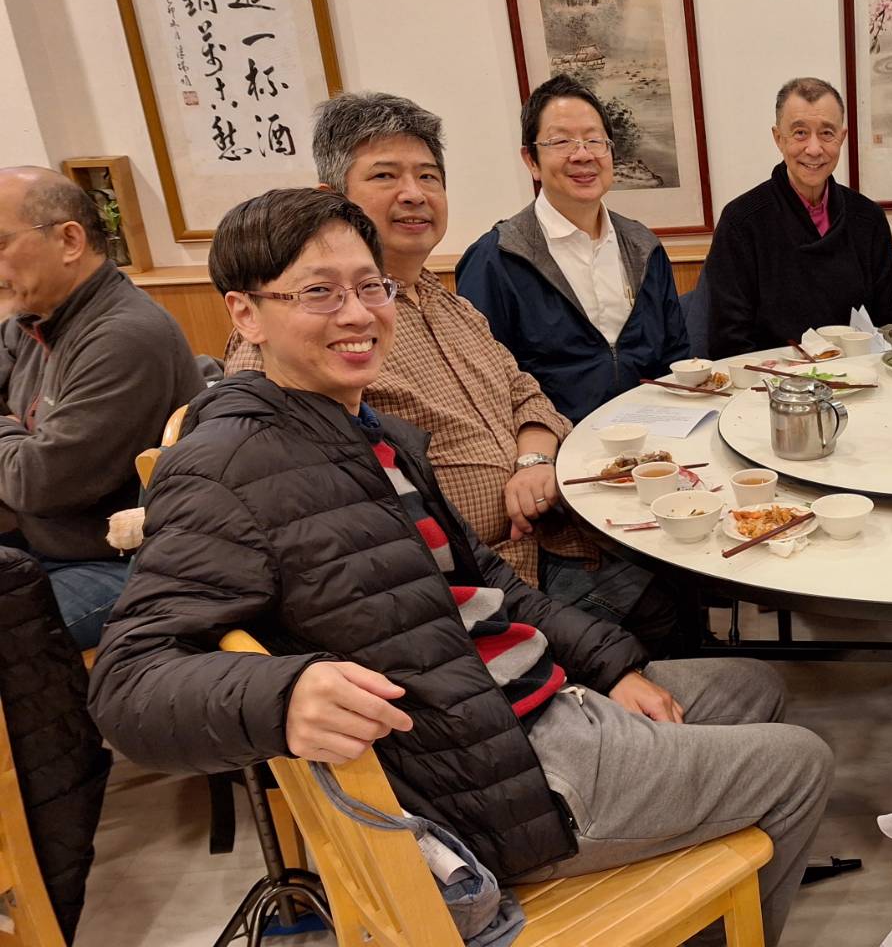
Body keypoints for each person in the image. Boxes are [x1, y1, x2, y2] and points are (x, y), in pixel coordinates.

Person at [90, 188, 832, 946]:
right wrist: (282, 693)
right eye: (319, 292)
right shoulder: (224, 467)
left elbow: (492, 587)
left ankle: (695, 891)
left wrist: (611, 669)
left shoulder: (371, 436)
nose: (356, 314)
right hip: (492, 782)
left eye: (370, 286)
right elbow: (126, 683)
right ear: (246, 314)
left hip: (507, 705)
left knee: (753, 686)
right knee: (798, 765)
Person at [224, 92, 692, 657]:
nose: (414, 194)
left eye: (428, 176)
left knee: (676, 567)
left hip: (550, 538)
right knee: (666, 594)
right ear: (333, 201)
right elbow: (300, 522)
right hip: (467, 595)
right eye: (385, 176)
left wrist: (533, 460)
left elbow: (527, 393)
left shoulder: (449, 305)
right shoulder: (305, 335)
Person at [0, 167, 202, 649]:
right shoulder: (35, 315)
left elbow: (37, 483)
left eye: (0, 243)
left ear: (69, 240)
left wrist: (10, 434)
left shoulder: (124, 335)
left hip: (123, 564)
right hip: (40, 543)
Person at [458, 77, 690, 422]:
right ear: (531, 160)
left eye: (595, 140)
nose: (582, 155)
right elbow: (483, 389)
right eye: (561, 141)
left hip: (654, 436)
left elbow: (675, 357)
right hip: (553, 442)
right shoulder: (496, 258)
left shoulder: (643, 246)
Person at [703, 77, 892, 356]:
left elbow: (887, 326)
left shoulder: (868, 219)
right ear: (778, 138)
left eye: (827, 133)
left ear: (842, 137)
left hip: (860, 373)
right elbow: (729, 341)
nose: (814, 149)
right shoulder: (742, 222)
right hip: (773, 377)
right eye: (800, 133)